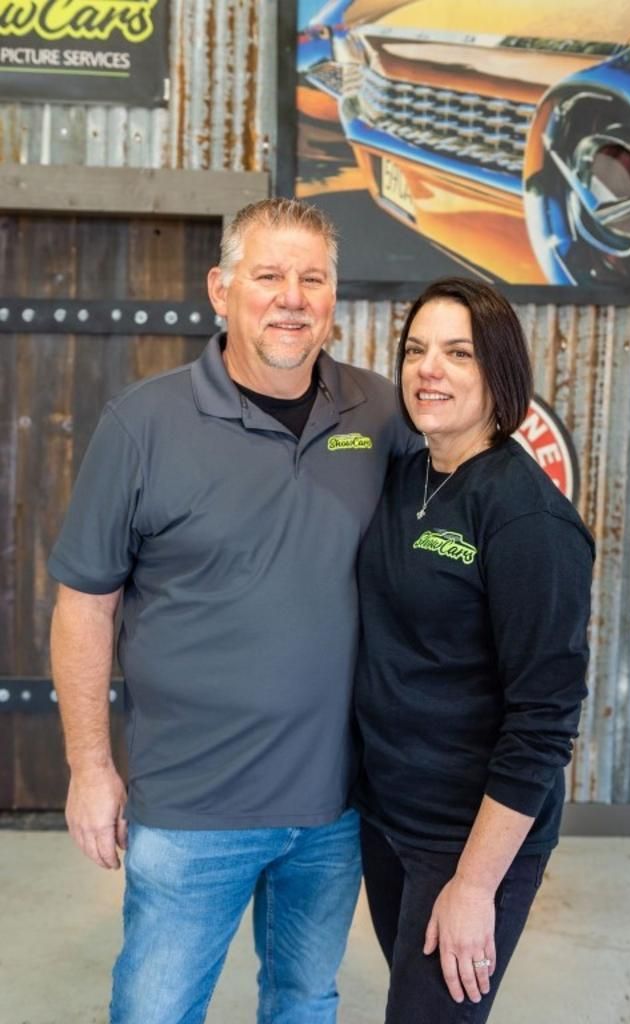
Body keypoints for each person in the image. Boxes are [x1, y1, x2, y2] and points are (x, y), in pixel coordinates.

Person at [48, 197, 418, 1024]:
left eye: (312, 278)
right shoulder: (142, 424)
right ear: (222, 289)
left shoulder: (383, 413)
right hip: (191, 811)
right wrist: (90, 766)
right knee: (155, 1011)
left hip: (335, 808)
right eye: (269, 276)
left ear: (333, 295)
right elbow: (84, 604)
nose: (292, 297)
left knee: (304, 1001)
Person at [353, 278, 594, 1023]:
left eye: (458, 353)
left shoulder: (526, 518)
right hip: (389, 818)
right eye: (417, 349)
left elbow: (543, 722)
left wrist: (475, 885)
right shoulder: (404, 476)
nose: (431, 368)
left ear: (498, 374)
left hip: (467, 839)